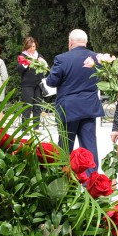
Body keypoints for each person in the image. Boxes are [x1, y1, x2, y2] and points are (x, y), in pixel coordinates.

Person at [45, 29, 104, 164]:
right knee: (89, 148)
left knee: (65, 148)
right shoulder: (97, 59)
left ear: (70, 42)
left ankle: (64, 179)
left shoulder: (62, 59)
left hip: (68, 109)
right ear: (86, 42)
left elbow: (51, 82)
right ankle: (92, 180)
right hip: (89, 107)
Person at [17, 36, 48, 123]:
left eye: (33, 46)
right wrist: (26, 63)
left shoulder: (39, 55)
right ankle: (25, 128)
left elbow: (45, 69)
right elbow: (19, 70)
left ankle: (36, 127)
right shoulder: (23, 56)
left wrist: (43, 63)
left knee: (37, 106)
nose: (32, 49)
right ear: (26, 47)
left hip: (39, 84)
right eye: (30, 47)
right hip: (27, 85)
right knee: (27, 106)